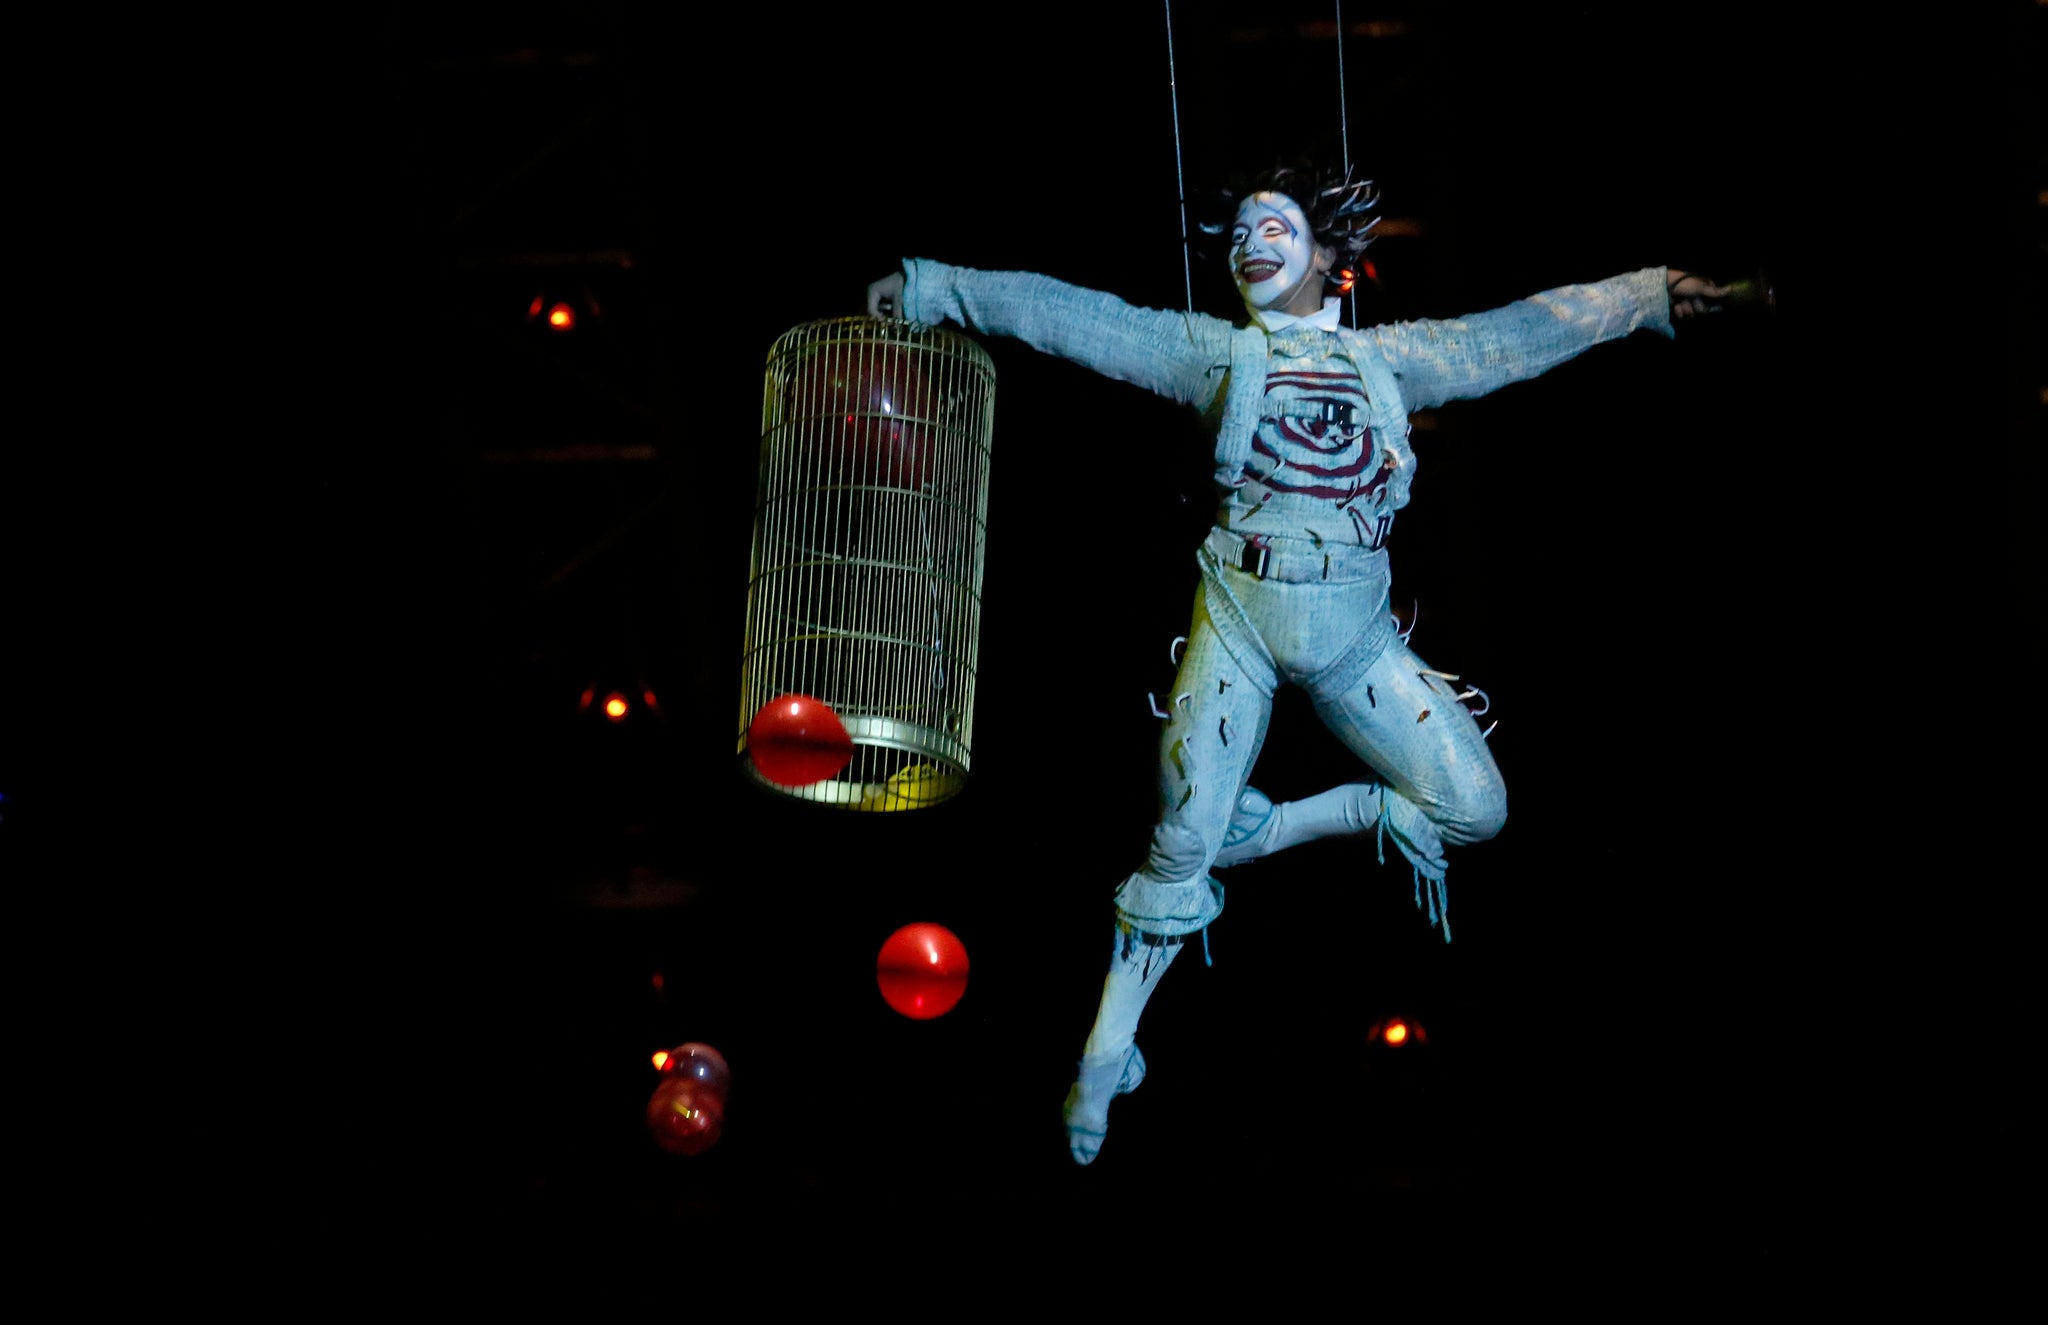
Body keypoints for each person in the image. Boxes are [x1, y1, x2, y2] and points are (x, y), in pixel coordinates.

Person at [866, 164, 1732, 1165]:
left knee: (1475, 806)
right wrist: (931, 287)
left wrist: (1645, 294)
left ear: (1327, 255)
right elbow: (1075, 318)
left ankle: (1285, 825)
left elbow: (1517, 331)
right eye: (1237, 230)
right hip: (1237, 609)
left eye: (1273, 225)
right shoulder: (1209, 353)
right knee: (1180, 831)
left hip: (1355, 632)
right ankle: (1103, 1056)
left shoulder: (1394, 359)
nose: (1250, 242)